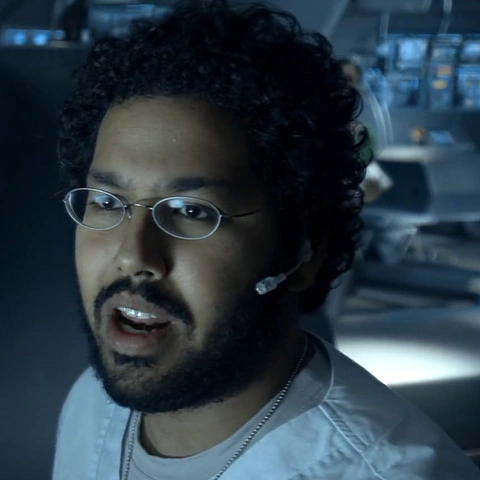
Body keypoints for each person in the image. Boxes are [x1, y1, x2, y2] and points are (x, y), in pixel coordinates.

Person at [52, 1, 480, 479]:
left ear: (303, 250)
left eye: (192, 212)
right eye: (107, 202)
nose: (133, 255)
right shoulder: (91, 405)